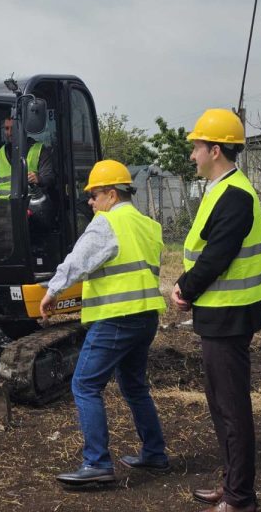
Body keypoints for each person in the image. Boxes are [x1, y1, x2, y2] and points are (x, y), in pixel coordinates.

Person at [40, 159, 169, 486]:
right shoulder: (148, 225)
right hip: (146, 317)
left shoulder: (106, 223)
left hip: (116, 318)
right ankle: (154, 453)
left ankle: (96, 463)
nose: (90, 202)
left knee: (84, 385)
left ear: (112, 194)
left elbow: (78, 261)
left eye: (94, 195)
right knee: (135, 386)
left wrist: (53, 290)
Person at [171, 109, 261, 512]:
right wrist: (189, 286)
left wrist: (185, 288)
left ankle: (240, 497)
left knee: (231, 408)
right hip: (220, 312)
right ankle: (232, 482)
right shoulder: (220, 189)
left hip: (229, 314)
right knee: (221, 403)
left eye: (197, 147)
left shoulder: (235, 195)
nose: (192, 154)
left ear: (215, 150)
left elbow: (217, 255)